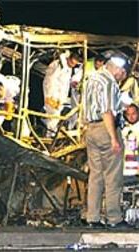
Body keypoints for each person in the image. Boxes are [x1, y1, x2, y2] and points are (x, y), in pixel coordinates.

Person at [83, 54, 132, 228]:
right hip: (106, 129)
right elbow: (106, 111)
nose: (121, 78)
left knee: (95, 175)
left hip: (91, 129)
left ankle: (92, 217)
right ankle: (114, 218)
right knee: (113, 176)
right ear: (119, 69)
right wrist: (114, 138)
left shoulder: (92, 77)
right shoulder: (109, 82)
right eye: (123, 74)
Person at [43, 51, 82, 136]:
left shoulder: (68, 67)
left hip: (60, 97)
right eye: (71, 63)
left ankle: (51, 133)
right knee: (53, 115)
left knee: (55, 116)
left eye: (74, 64)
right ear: (68, 59)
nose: (72, 65)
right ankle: (50, 135)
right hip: (53, 95)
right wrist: (51, 96)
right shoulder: (59, 65)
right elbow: (50, 81)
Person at [122, 103, 139, 176]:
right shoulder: (124, 129)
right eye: (128, 114)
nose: (131, 117)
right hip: (126, 169)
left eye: (133, 114)